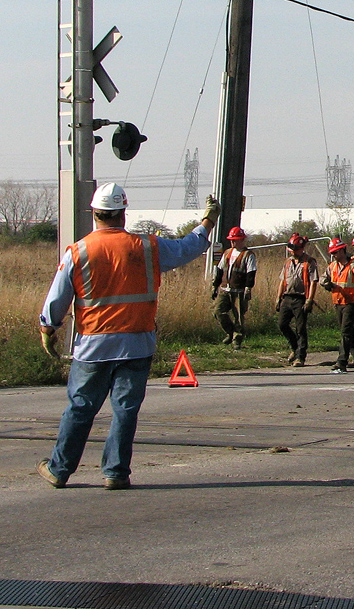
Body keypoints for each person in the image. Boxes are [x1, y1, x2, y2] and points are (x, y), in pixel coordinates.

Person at [36, 184, 220, 490]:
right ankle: (116, 472)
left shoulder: (79, 251)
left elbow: (58, 297)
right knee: (125, 410)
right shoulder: (147, 247)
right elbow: (187, 248)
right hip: (136, 343)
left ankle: (60, 469)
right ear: (123, 213)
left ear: (94, 213)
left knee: (81, 407)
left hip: (93, 346)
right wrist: (207, 223)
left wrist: (48, 327)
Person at [320, 236, 354, 374]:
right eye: (332, 253)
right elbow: (323, 278)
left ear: (342, 250)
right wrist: (326, 284)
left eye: (335, 252)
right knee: (348, 330)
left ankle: (341, 362)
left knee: (345, 331)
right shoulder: (332, 266)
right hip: (338, 302)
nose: (333, 255)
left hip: (352, 303)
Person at [275, 233, 319, 367]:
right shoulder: (287, 263)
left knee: (301, 329)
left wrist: (309, 300)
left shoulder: (310, 262)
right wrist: (278, 298)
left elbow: (313, 282)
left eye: (295, 250)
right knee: (282, 324)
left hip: (301, 299)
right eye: (291, 250)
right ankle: (294, 347)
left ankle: (300, 357)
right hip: (287, 298)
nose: (293, 253)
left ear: (301, 249)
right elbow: (282, 281)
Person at [211, 226, 257, 349]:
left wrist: (248, 288)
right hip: (225, 289)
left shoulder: (248, 255)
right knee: (218, 311)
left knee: (239, 317)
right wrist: (215, 286)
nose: (232, 242)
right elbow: (220, 270)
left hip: (239, 291)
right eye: (231, 240)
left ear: (241, 240)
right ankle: (230, 332)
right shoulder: (227, 253)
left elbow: (251, 273)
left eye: (235, 240)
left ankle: (237, 339)